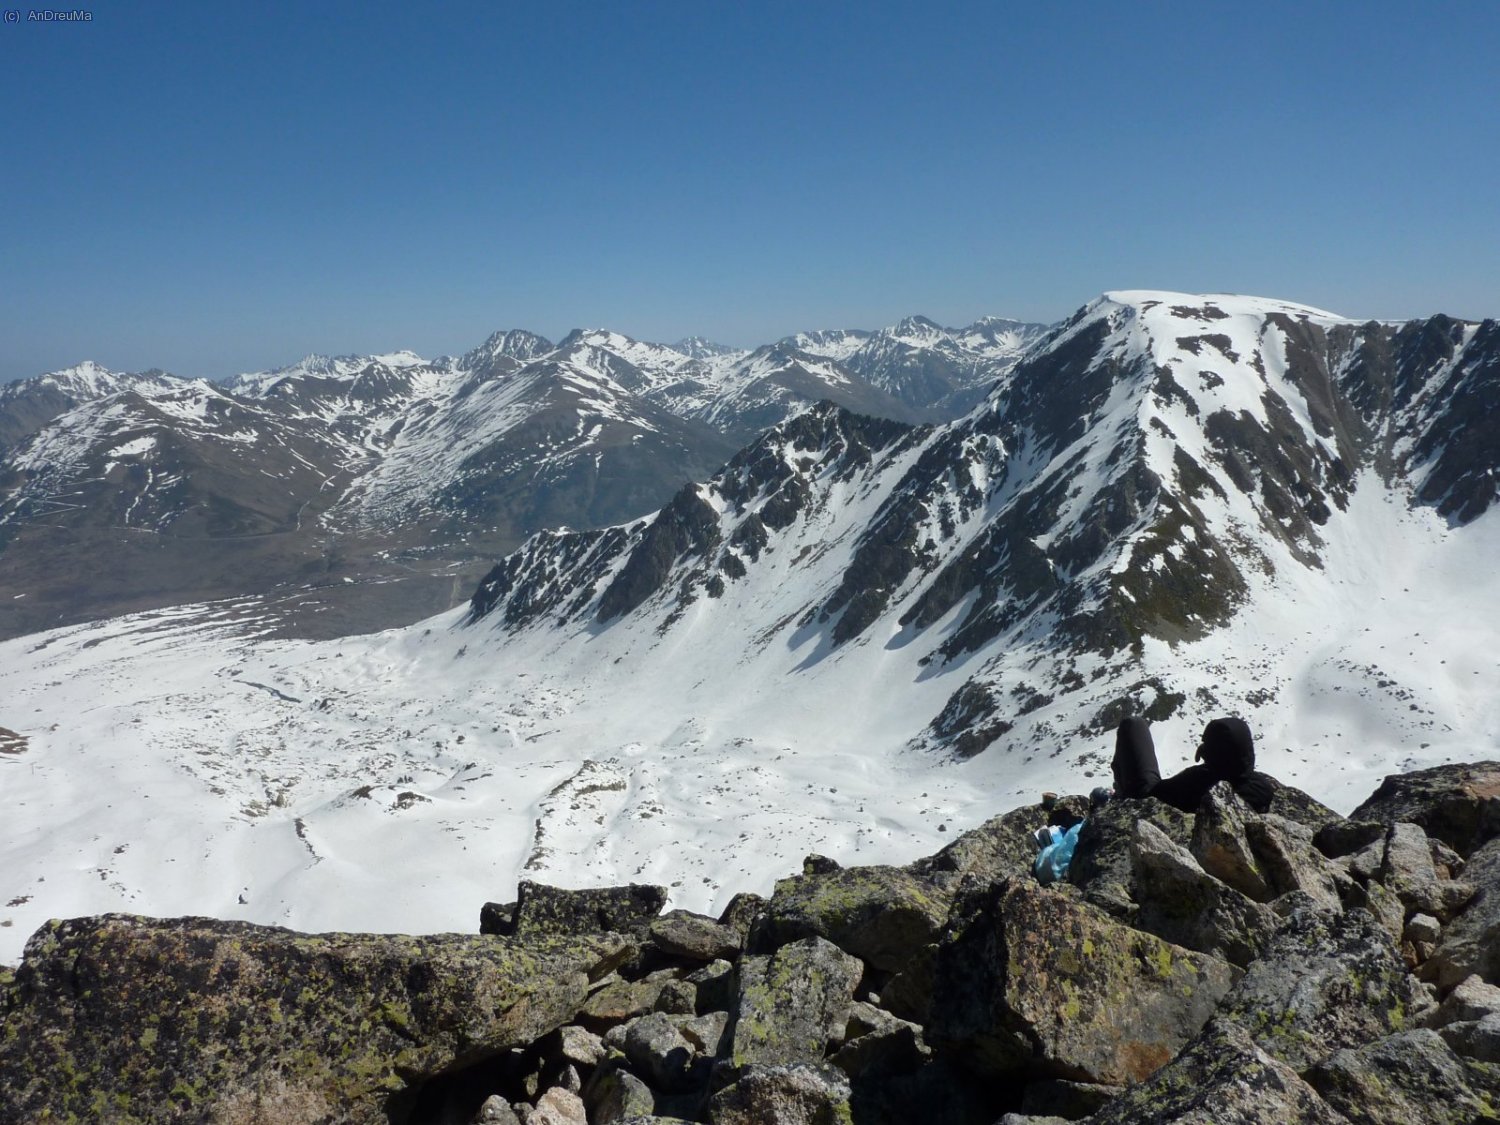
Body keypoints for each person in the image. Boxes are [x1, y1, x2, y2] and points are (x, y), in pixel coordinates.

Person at [1111, 715, 1274, 813]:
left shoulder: (1200, 783)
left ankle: (1118, 793)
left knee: (1133, 725)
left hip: (1145, 800)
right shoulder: (1261, 788)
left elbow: (1157, 792)